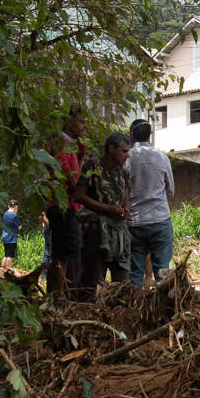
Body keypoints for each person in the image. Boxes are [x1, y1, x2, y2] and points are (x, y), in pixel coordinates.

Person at [77, 132, 133, 293]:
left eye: (128, 152)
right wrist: (108, 208)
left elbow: (125, 195)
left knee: (123, 283)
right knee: (94, 281)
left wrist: (125, 208)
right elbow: (79, 196)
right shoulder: (92, 166)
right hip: (95, 230)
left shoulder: (124, 172)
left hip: (119, 233)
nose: (127, 156)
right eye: (123, 151)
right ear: (111, 149)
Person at [123, 118, 175, 288]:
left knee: (135, 273)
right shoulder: (162, 157)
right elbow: (171, 191)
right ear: (149, 136)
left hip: (134, 222)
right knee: (162, 272)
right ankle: (161, 311)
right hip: (160, 220)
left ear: (131, 135)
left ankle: (134, 310)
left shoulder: (126, 158)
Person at [44, 110, 87, 293]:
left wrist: (81, 158)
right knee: (61, 256)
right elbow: (68, 176)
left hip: (67, 205)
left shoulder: (69, 146)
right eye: (81, 121)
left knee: (63, 255)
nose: (84, 126)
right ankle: (57, 296)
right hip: (64, 206)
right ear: (69, 122)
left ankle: (57, 295)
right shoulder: (62, 144)